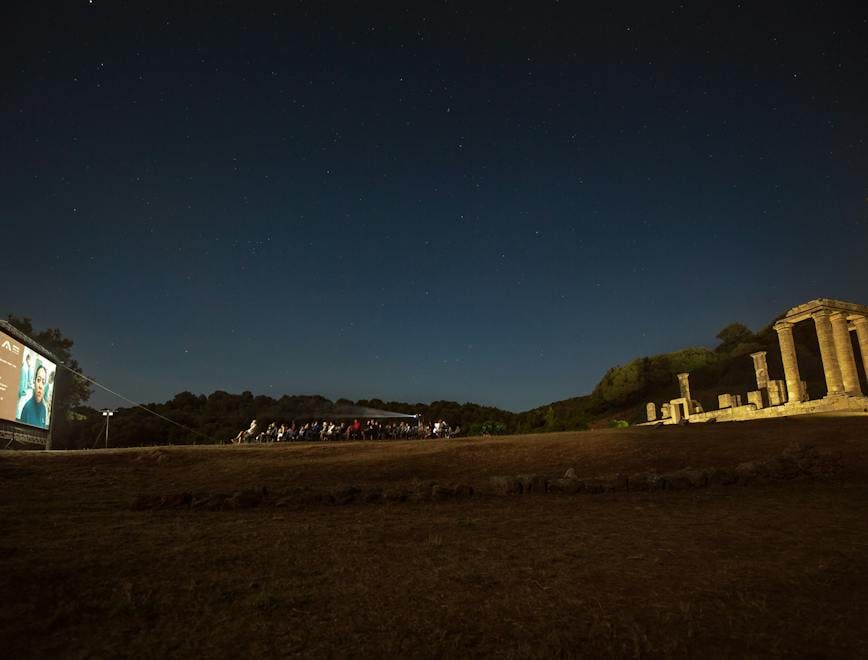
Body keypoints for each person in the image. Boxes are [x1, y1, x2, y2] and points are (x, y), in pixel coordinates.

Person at [19, 364, 48, 428]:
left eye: (43, 382)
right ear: (34, 382)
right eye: (38, 380)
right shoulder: (27, 408)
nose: (40, 386)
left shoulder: (44, 409)